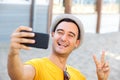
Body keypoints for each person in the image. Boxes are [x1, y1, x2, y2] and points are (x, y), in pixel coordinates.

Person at [7, 14, 110, 80]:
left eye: (70, 35)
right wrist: (13, 54)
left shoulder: (79, 76)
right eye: (60, 32)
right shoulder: (37, 66)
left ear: (76, 43)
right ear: (53, 34)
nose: (64, 38)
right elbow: (19, 76)